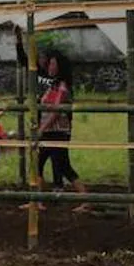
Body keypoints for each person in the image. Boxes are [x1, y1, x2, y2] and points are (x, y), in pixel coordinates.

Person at [36, 50, 88, 201]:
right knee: (37, 164)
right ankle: (36, 201)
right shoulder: (52, 85)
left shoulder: (63, 87)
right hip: (49, 132)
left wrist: (42, 128)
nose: (50, 67)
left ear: (60, 67)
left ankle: (86, 199)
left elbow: (57, 111)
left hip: (58, 132)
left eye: (53, 64)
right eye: (50, 63)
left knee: (64, 167)